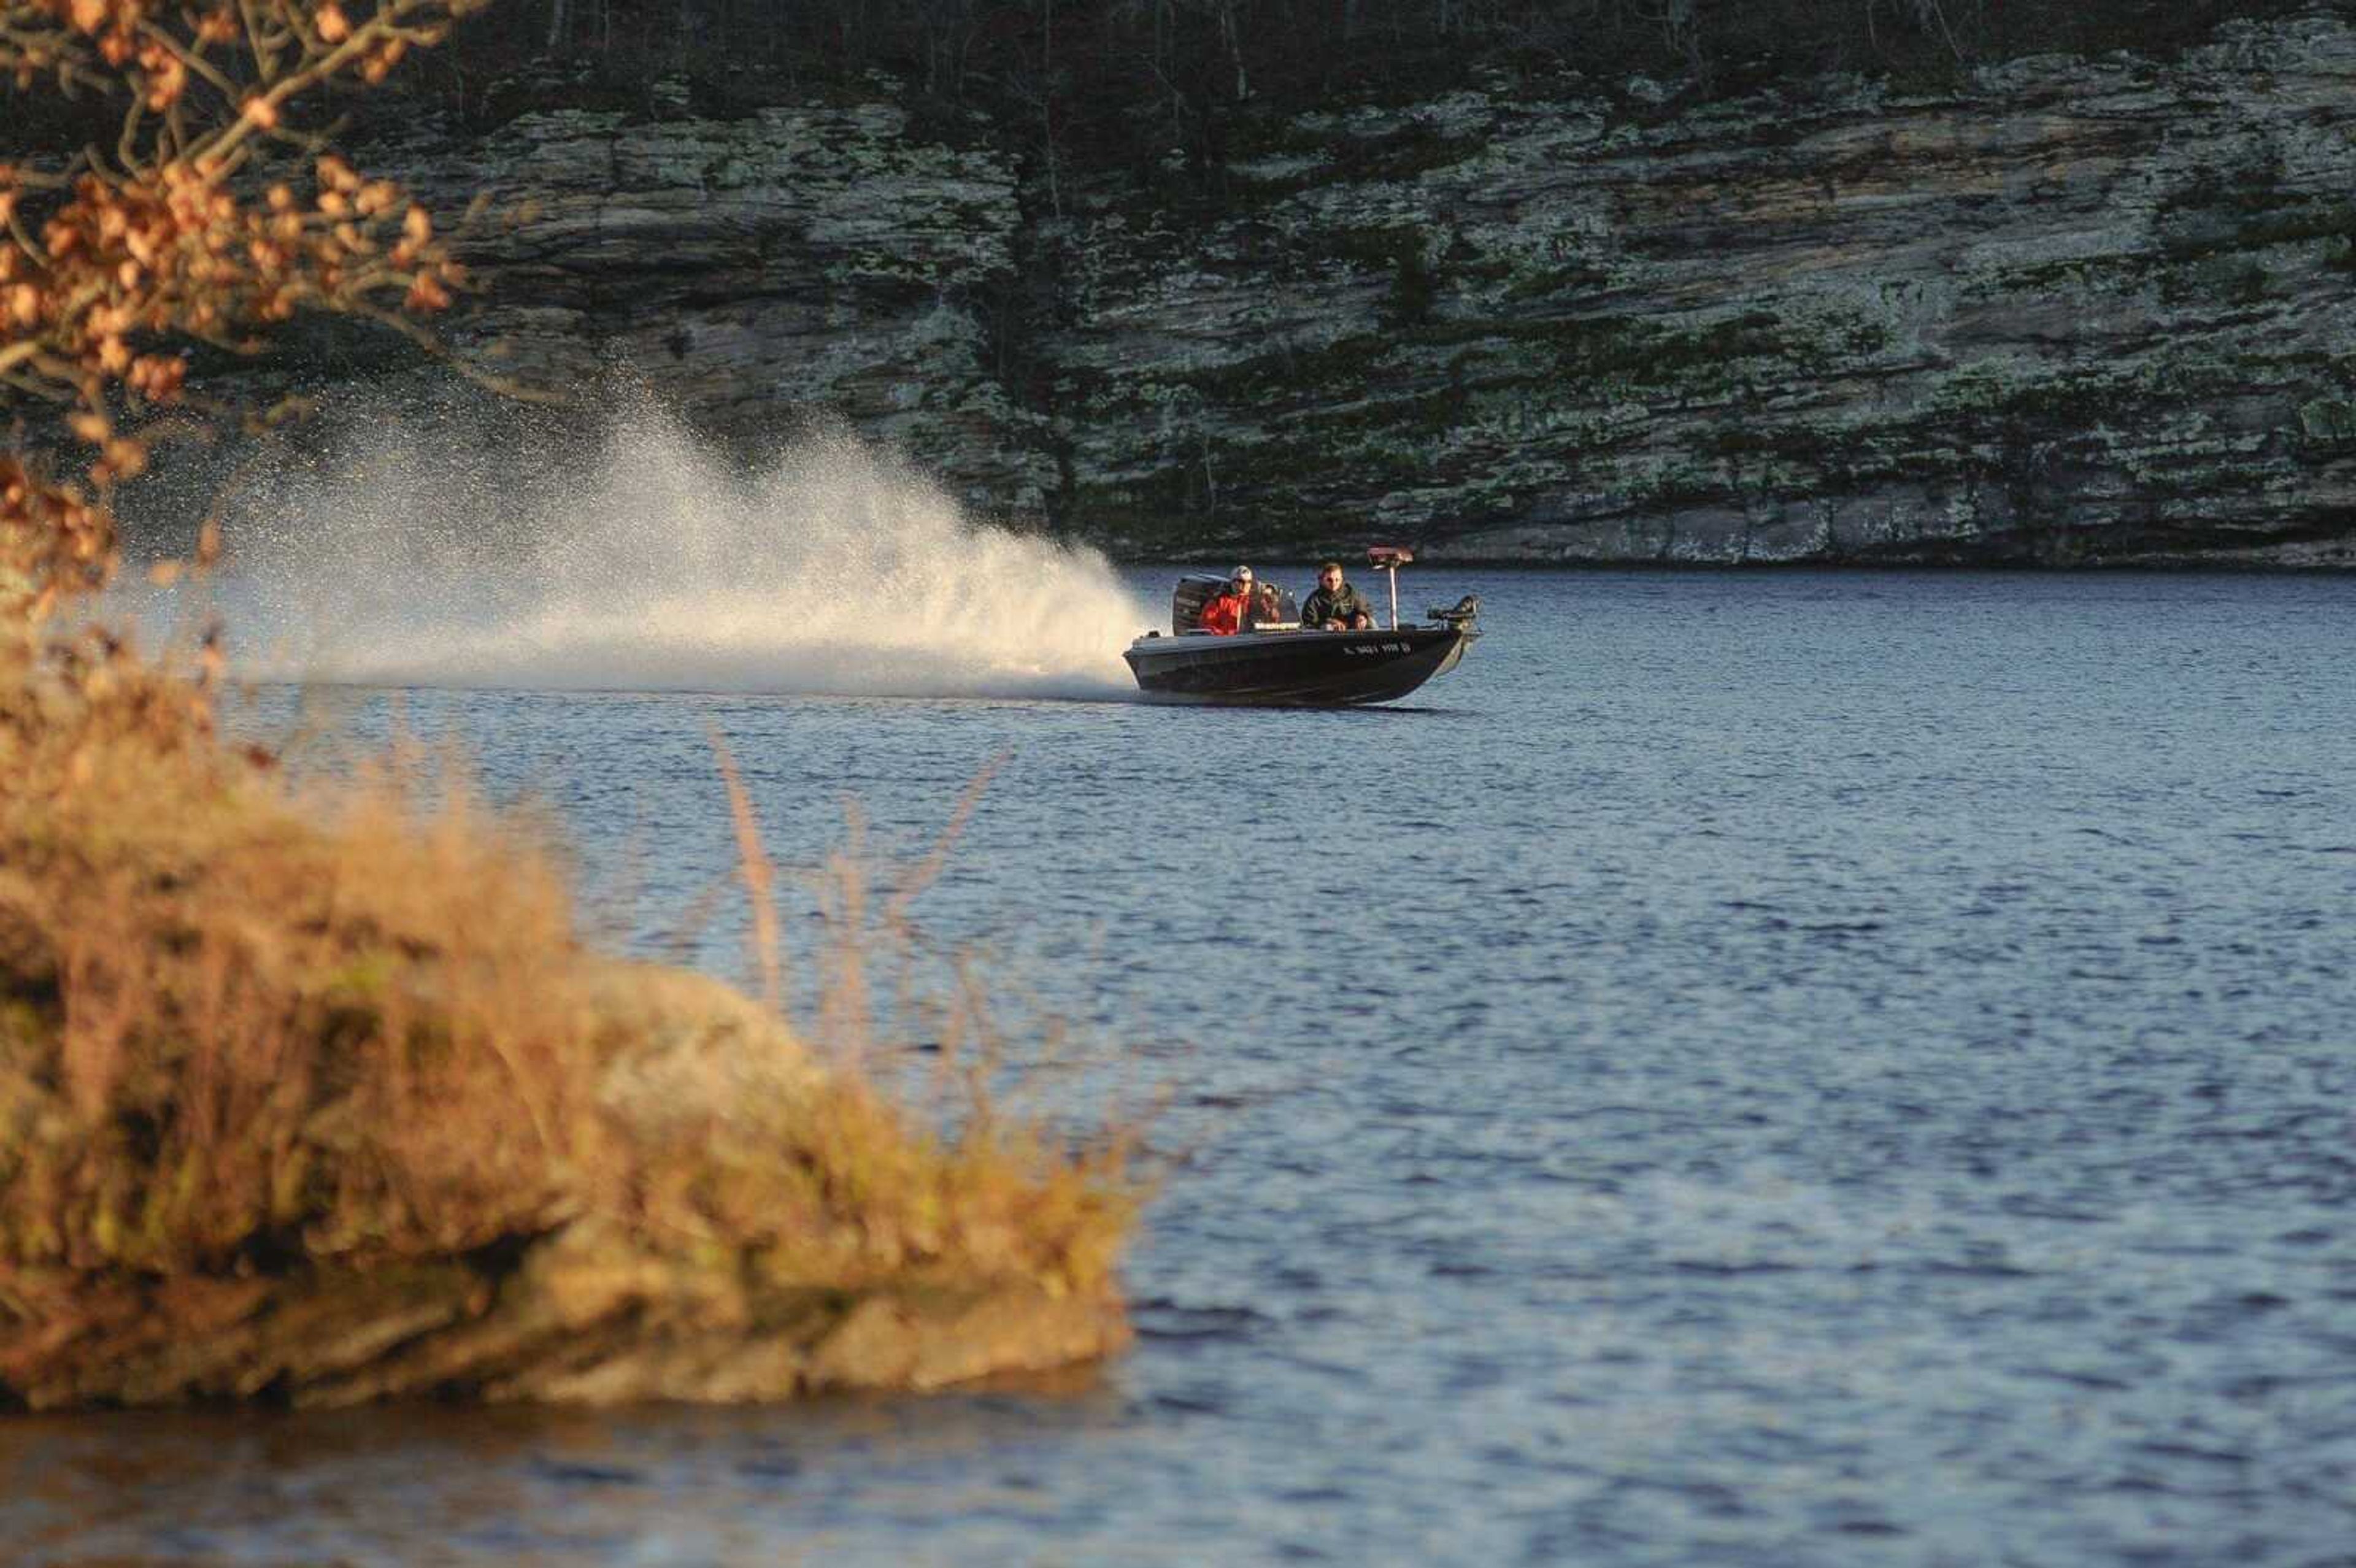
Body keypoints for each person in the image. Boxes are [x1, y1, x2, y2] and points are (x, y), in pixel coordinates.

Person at [1301, 561, 1376, 631]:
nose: (1334, 583)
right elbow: (1308, 623)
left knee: (1371, 622)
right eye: (1329, 580)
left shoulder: (1352, 593)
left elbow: (1367, 609)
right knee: (1327, 627)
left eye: (1337, 580)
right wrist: (1327, 623)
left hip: (1352, 629)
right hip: (1328, 633)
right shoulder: (1314, 599)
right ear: (1322, 580)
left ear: (1342, 580)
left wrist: (1362, 616)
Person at [1197, 566, 1258, 635]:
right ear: (1232, 582)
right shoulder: (1218, 601)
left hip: (1252, 639)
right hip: (1226, 641)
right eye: (1240, 582)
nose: (1245, 585)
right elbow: (1206, 626)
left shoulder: (1255, 600)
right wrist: (1229, 633)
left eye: (1249, 582)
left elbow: (1267, 621)